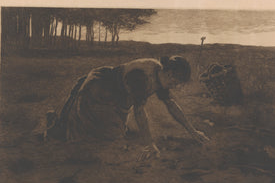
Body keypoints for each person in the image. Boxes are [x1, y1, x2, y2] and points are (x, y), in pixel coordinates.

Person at [44, 55, 209, 157]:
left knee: (117, 132)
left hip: (115, 99)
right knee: (100, 137)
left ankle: (62, 125)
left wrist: (192, 131)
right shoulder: (143, 77)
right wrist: (149, 144)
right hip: (98, 91)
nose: (176, 86)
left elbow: (171, 105)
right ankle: (56, 128)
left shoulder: (161, 77)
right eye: (176, 82)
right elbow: (139, 112)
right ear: (170, 74)